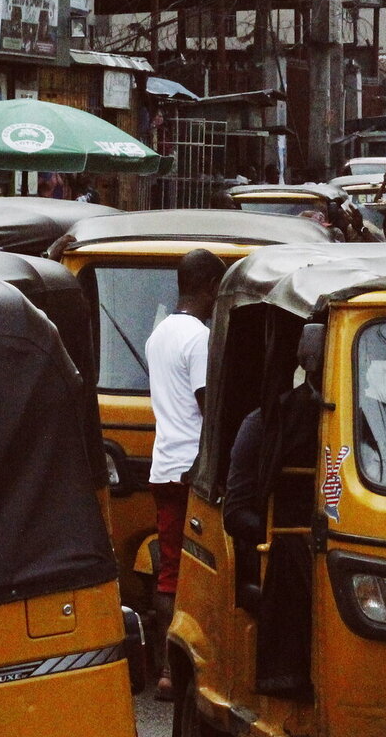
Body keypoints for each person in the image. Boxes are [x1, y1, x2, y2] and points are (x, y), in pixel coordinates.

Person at [145, 247, 224, 699]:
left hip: (164, 466)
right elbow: (206, 407)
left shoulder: (159, 335)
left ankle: (165, 672)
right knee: (199, 574)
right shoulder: (198, 337)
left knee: (169, 571)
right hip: (193, 470)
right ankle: (187, 670)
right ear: (211, 287)